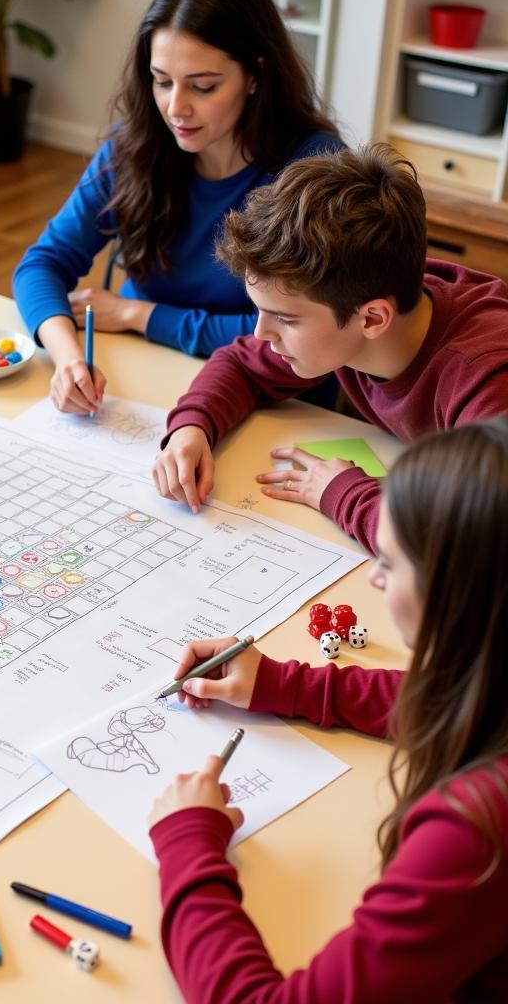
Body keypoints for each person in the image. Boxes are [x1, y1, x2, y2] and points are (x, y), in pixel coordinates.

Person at [148, 419, 508, 1001]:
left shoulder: (476, 832)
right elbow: (468, 696)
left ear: (457, 594)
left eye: (390, 564)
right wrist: (283, 684)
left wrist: (186, 843)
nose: (372, 576)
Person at [154, 144, 508, 556]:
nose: (262, 332)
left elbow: (469, 549)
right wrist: (190, 429)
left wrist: (343, 493)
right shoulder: (356, 298)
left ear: (373, 319)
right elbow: (241, 363)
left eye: (285, 319)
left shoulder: (485, 381)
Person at [12, 0, 341, 415]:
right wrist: (68, 357)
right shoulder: (133, 149)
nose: (175, 108)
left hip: (277, 401)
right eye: (162, 81)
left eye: (203, 86)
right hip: (149, 379)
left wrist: (138, 315)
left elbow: (304, 332)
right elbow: (42, 265)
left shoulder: (314, 170)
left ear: (256, 76)